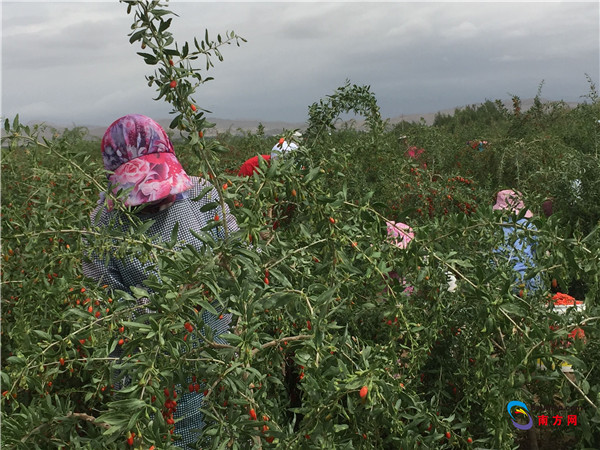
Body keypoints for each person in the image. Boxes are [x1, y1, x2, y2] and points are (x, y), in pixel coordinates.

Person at [83, 114, 238, 448]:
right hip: (151, 372)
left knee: (221, 429)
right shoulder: (102, 226)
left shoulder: (203, 195)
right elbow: (106, 306)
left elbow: (241, 258)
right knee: (165, 437)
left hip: (215, 354)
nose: (157, 197)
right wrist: (156, 309)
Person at [492, 189, 541, 293]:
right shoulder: (530, 227)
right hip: (530, 279)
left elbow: (491, 258)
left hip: (502, 281)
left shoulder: (493, 228)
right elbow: (538, 254)